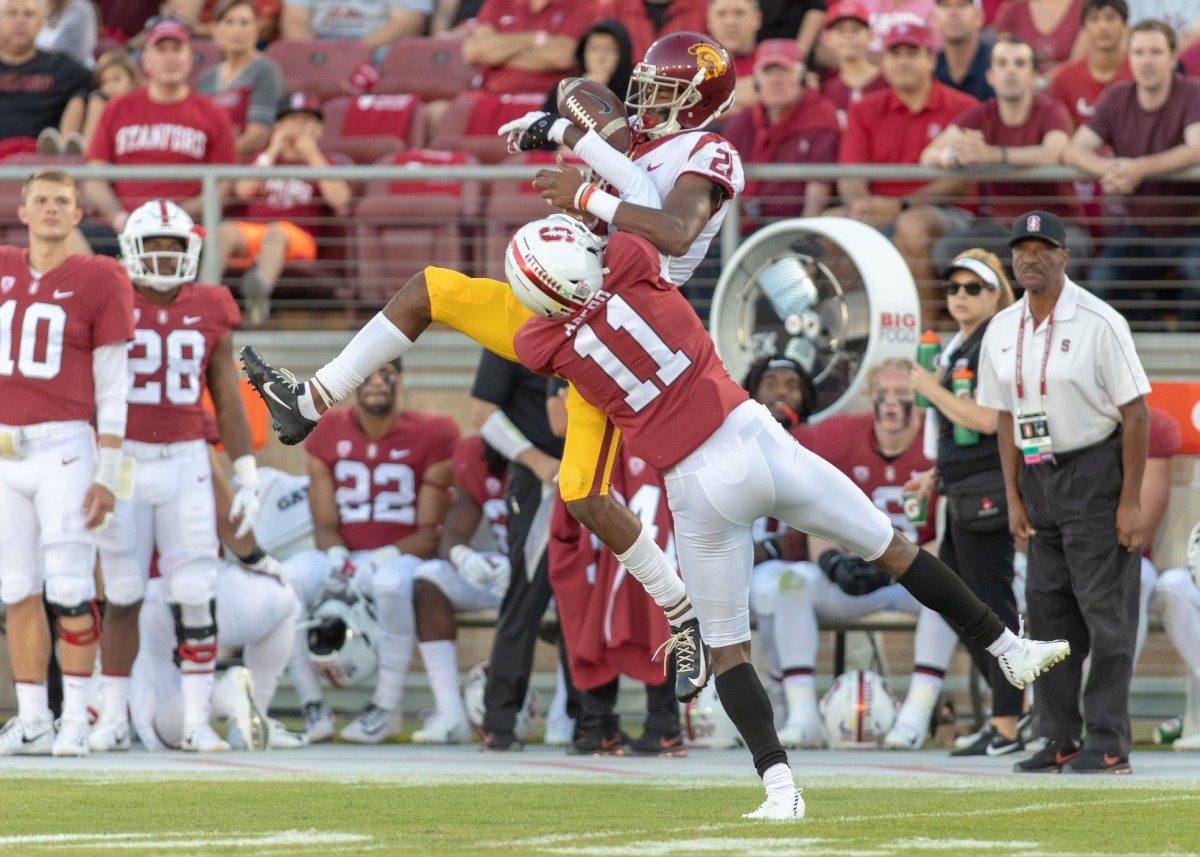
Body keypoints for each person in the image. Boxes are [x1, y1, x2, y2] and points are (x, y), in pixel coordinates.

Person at [239, 31, 745, 707]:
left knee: (585, 497)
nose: (645, 98)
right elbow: (618, 160)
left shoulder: (706, 152)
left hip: (622, 339)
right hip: (567, 313)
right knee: (430, 290)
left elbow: (662, 219)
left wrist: (570, 135)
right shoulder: (642, 147)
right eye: (644, 85)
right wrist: (571, 129)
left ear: (696, 101)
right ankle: (311, 398)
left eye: (662, 90)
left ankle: (683, 617)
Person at [507, 213, 1070, 818]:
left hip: (696, 484)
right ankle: (1008, 647)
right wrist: (586, 191)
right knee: (896, 549)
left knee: (727, 649)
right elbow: (630, 226)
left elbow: (535, 330)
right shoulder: (636, 265)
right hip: (755, 438)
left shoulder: (541, 340)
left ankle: (780, 788)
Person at [977, 209, 1149, 774]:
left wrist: (1130, 500)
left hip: (1095, 470)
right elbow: (1004, 417)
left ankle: (1108, 739)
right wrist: (1014, 495)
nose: (1029, 257)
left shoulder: (1100, 321)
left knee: (1105, 614)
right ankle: (1058, 736)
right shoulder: (1001, 328)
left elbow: (1137, 413)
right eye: (1020, 248)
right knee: (1046, 613)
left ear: (1064, 257)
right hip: (1035, 472)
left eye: (1042, 247)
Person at [91, 199, 262, 754]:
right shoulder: (109, 298)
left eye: (174, 247)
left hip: (187, 457)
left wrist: (245, 468)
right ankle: (112, 716)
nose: (164, 258)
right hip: (124, 461)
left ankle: (194, 719)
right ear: (132, 251)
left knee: (195, 590)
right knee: (121, 592)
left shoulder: (212, 304)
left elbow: (227, 393)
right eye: (154, 247)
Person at [0, 168, 134, 757]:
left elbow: (113, 385)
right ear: (22, 210)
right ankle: (33, 716)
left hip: (64, 449)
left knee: (72, 586)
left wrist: (108, 472)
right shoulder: (3, 266)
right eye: (41, 200)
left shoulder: (100, 276)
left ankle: (77, 714)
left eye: (62, 201)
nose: (51, 209)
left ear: (80, 214)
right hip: (6, 448)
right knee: (17, 589)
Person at [761, 360, 961, 751]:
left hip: (913, 580)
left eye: (902, 395)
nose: (890, 404)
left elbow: (949, 534)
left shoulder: (941, 443)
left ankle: (915, 716)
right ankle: (802, 716)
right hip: (854, 575)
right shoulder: (838, 436)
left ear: (920, 402)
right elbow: (814, 507)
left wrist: (901, 568)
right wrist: (832, 562)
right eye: (881, 395)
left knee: (948, 590)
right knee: (791, 583)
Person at [280, 360, 458, 744]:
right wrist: (336, 557)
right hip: (343, 553)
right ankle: (313, 705)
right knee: (289, 579)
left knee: (391, 584)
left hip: (401, 556)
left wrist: (382, 557)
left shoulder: (434, 432)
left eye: (386, 374)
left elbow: (429, 534)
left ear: (401, 380)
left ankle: (386, 707)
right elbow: (324, 522)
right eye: (368, 374)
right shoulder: (327, 429)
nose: (376, 382)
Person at [907, 249, 1025, 756]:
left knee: (991, 606)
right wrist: (933, 476)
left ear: (996, 292)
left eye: (972, 288)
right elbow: (964, 435)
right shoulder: (964, 344)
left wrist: (931, 388)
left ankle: (1008, 722)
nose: (959, 297)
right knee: (960, 607)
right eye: (953, 288)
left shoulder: (993, 344)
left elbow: (986, 420)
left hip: (988, 493)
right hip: (961, 489)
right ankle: (1008, 713)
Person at [128, 446, 302, 752]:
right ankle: (254, 712)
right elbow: (228, 515)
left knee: (160, 728)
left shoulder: (114, 435)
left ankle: (227, 697)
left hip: (147, 598)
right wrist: (256, 559)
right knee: (285, 598)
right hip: (209, 584)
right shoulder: (189, 435)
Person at [467, 350, 576, 751]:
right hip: (541, 480)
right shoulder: (510, 325)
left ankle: (594, 721)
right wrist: (536, 460)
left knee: (587, 600)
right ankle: (501, 720)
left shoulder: (591, 316)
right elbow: (482, 412)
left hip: (598, 472)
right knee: (525, 598)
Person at [1061, 18, 1200, 328]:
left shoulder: (1192, 92)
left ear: (1172, 57)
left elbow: (1197, 148)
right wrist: (1111, 169)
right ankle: (1158, 336)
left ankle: (1189, 351)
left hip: (1192, 228)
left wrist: (1138, 168)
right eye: (1139, 52)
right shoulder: (1117, 97)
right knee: (1102, 280)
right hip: (1141, 229)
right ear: (1129, 56)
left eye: (1155, 52)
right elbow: (1074, 149)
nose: (1146, 61)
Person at [835, 19, 976, 308]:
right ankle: (848, 335)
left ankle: (926, 334)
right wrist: (863, 208)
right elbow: (850, 178)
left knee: (912, 226)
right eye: (894, 54)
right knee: (833, 224)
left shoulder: (964, 107)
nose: (902, 62)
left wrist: (900, 206)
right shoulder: (863, 109)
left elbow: (959, 182)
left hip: (947, 212)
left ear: (930, 59)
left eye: (911, 53)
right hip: (881, 208)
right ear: (883, 61)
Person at [920, 35, 1086, 274]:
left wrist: (992, 154)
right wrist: (957, 156)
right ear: (990, 76)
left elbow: (1054, 152)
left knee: (1052, 266)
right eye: (1002, 63)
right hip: (1001, 228)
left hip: (1059, 225)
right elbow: (929, 155)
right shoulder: (980, 114)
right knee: (946, 253)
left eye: (1019, 64)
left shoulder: (1052, 111)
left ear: (1034, 76)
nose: (1010, 71)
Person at [83, 18, 236, 254]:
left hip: (185, 229)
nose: (170, 57)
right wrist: (120, 218)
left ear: (190, 57)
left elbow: (223, 187)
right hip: (122, 227)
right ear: (145, 60)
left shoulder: (213, 114)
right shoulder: (118, 107)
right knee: (71, 237)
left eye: (177, 49)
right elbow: (94, 177)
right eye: (161, 49)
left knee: (216, 242)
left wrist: (173, 219)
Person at [408, 435, 511, 745]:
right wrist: (461, 555)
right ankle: (450, 713)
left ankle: (567, 715)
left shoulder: (554, 450)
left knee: (571, 588)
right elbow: (454, 529)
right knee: (430, 578)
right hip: (504, 571)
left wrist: (529, 567)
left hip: (551, 573)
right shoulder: (478, 454)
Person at [217, 92, 352, 327]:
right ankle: (204, 294)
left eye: (306, 121)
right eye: (291, 121)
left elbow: (340, 199)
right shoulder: (264, 159)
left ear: (319, 130)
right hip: (256, 235)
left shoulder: (325, 162)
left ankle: (259, 296)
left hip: (298, 240)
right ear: (278, 126)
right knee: (226, 230)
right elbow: (244, 190)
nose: (297, 127)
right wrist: (272, 149)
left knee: (277, 231)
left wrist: (312, 154)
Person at [721, 38, 840, 225]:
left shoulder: (820, 115)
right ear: (757, 80)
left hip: (792, 229)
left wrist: (799, 237)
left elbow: (817, 193)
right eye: (768, 72)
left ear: (801, 77)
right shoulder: (744, 120)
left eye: (784, 71)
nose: (776, 80)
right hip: (738, 228)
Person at [195, 0, 285, 158]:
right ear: (215, 29)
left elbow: (258, 136)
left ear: (256, 28)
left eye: (244, 23)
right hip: (211, 166)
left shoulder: (265, 71)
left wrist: (216, 158)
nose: (237, 30)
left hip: (247, 167)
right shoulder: (206, 78)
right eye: (229, 22)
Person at [0, 0, 91, 156]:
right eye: (12, 13)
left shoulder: (62, 67)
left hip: (43, 162)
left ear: (41, 24)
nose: (20, 20)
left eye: (29, 14)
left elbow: (99, 84)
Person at [461, 0, 598, 95]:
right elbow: (472, 51)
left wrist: (495, 52)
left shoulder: (581, 4)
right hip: (491, 96)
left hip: (546, 101)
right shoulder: (500, 2)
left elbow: (566, 56)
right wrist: (534, 38)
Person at [1048, 0, 1129, 128]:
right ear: (1083, 28)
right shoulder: (1063, 78)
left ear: (1125, 26)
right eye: (1094, 19)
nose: (1103, 26)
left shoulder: (1138, 73)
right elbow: (1063, 133)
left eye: (1110, 18)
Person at [819, 0, 888, 130]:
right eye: (840, 30)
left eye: (856, 29)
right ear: (827, 39)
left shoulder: (888, 82)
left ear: (870, 35)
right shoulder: (826, 90)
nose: (848, 36)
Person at [281, 0, 431, 55]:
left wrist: (353, 52)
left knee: (391, 57)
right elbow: (294, 19)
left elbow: (407, 23)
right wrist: (311, 54)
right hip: (318, 43)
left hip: (377, 45)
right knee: (280, 59)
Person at [991, 0, 1085, 78]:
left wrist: (1041, 82)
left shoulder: (1081, 7)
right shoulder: (1012, 8)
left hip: (1064, 86)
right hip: (1020, 88)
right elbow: (1003, 60)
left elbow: (1076, 64)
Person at [705, 0, 762, 116]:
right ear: (709, 21)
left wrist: (707, 98)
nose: (730, 22)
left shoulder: (770, 57)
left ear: (756, 18)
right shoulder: (693, 63)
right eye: (721, 14)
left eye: (739, 13)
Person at [78, 51, 142, 152]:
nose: (110, 86)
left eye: (116, 79)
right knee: (78, 100)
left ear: (132, 81)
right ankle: (67, 146)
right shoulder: (100, 101)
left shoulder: (142, 103)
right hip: (96, 152)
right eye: (104, 82)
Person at [933, 0, 993, 101]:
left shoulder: (997, 65)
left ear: (979, 17)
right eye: (945, 6)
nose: (953, 12)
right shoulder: (929, 69)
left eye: (962, 5)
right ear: (934, 19)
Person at [33, 0, 95, 69]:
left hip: (73, 73)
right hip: (38, 71)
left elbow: (75, 55)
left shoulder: (80, 9)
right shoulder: (33, 5)